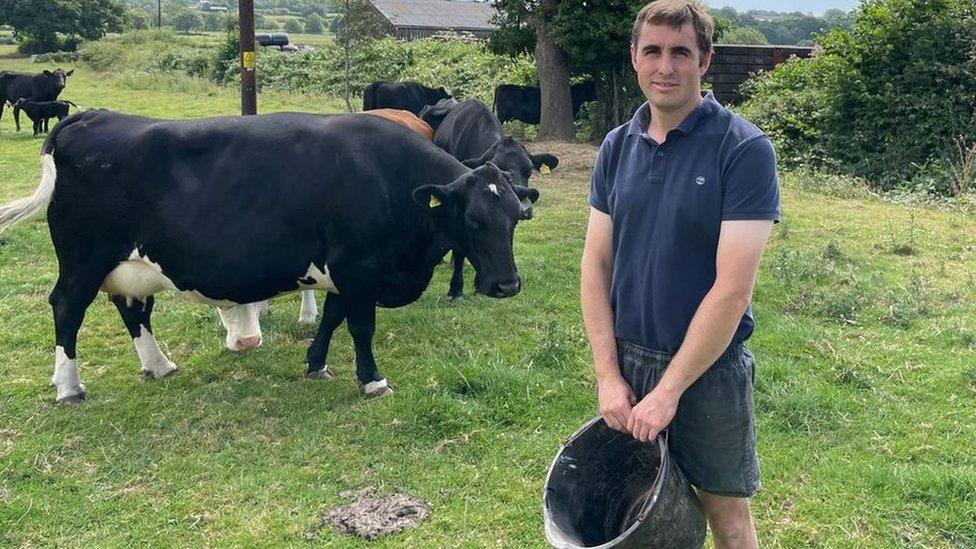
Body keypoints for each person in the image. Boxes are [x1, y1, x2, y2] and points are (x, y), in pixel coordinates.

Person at [580, 1, 780, 547]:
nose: (664, 66)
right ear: (634, 57)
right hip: (628, 360)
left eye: (680, 53)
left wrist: (671, 390)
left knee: (728, 519)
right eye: (653, 51)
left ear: (705, 60)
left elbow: (733, 289)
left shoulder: (743, 150)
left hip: (708, 370)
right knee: (636, 516)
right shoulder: (617, 148)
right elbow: (596, 266)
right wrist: (608, 375)